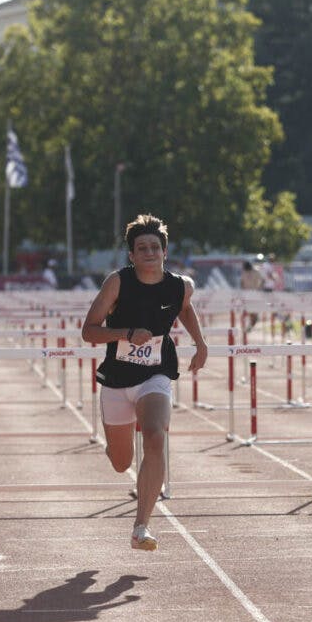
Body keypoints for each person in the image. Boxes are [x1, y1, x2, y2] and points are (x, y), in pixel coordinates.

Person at [82, 214, 208, 551]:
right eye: (142, 248)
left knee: (154, 436)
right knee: (121, 462)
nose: (149, 252)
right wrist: (126, 334)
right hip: (117, 379)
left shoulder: (181, 285)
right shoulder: (117, 283)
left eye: (155, 247)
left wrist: (200, 343)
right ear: (132, 255)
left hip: (156, 373)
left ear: (165, 252)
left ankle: (141, 527)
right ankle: (114, 448)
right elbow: (88, 331)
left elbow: (185, 308)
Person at [239, 261, 263, 332]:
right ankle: (251, 324)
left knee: (252, 312)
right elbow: (242, 283)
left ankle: (251, 324)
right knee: (251, 312)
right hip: (250, 294)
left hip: (252, 294)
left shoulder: (254, 272)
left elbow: (241, 284)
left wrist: (259, 288)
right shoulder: (246, 273)